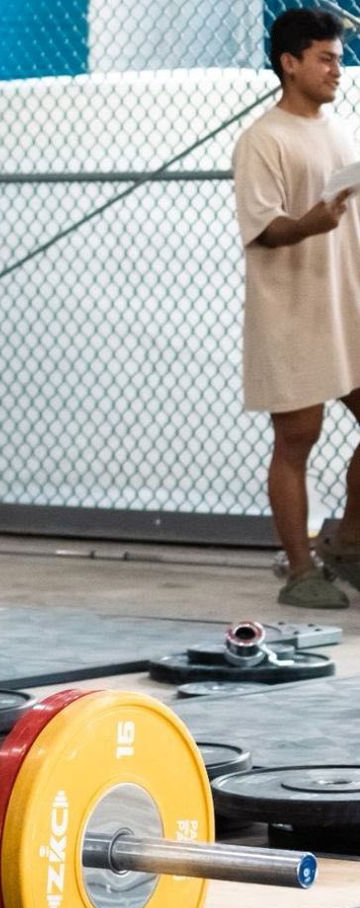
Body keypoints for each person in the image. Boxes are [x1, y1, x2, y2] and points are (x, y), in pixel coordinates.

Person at [233, 8, 360, 608]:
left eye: (339, 57)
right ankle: (300, 568)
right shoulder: (264, 138)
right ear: (290, 62)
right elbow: (263, 227)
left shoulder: (339, 128)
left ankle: (350, 541)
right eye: (326, 58)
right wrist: (309, 223)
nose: (338, 69)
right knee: (298, 437)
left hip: (348, 303)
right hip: (293, 309)